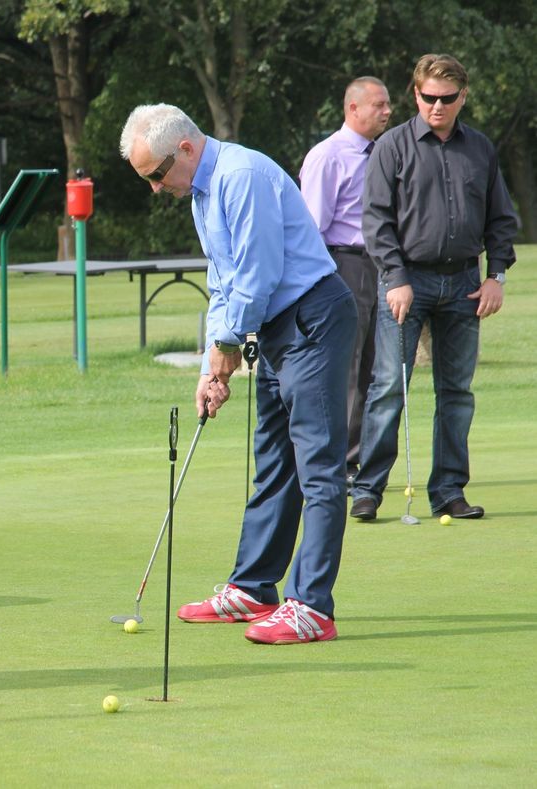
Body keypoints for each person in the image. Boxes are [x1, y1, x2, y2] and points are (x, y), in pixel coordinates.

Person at [119, 104, 357, 645]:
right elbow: (223, 284)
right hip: (275, 329)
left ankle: (312, 607)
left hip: (312, 317)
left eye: (156, 174)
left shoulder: (241, 175)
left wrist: (229, 346)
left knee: (318, 467)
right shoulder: (203, 191)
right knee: (274, 461)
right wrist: (211, 364)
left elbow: (260, 272)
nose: (156, 188)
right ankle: (254, 587)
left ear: (185, 148)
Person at [350, 54, 518, 523]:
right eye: (428, 97)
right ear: (415, 93)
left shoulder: (480, 149)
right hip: (408, 280)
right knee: (387, 387)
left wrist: (496, 275)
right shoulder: (392, 147)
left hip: (466, 281)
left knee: (456, 392)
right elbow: (376, 221)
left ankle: (448, 491)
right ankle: (368, 490)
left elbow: (500, 219)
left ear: (462, 96)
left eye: (447, 98)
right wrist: (396, 277)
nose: (437, 106)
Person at [299, 77, 392, 484]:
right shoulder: (328, 156)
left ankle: (361, 459)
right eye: (379, 104)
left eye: (388, 104)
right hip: (343, 264)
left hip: (382, 265)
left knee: (374, 367)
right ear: (353, 108)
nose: (388, 111)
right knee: (348, 367)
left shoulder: (385, 153)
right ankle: (340, 462)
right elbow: (312, 228)